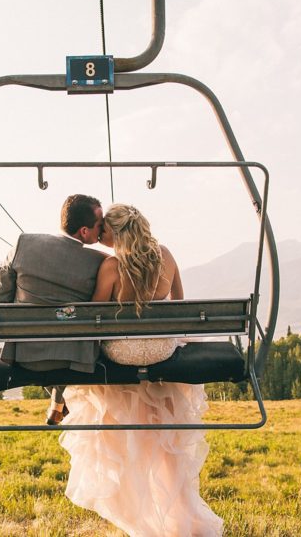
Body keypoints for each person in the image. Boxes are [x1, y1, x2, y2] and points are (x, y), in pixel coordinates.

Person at [60, 204, 223, 537]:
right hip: (161, 351)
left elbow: (96, 321)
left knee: (108, 383)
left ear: (115, 234)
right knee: (161, 406)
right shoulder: (166, 255)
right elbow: (181, 308)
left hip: (122, 353)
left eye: (104, 229)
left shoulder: (111, 267)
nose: (101, 234)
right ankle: (178, 513)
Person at [0, 194, 107, 425]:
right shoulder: (99, 261)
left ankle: (57, 399)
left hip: (24, 355)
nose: (102, 229)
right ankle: (59, 398)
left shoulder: (24, 243)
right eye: (99, 225)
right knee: (72, 324)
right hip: (76, 361)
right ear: (84, 231)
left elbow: (1, 296)